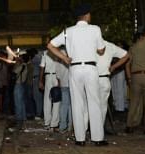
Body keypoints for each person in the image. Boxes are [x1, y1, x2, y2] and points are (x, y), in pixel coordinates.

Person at [47, 3, 106, 146]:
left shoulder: (68, 31)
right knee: (94, 102)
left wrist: (64, 58)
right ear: (86, 15)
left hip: (75, 68)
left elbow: (50, 45)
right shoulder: (95, 29)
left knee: (77, 103)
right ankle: (97, 139)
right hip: (91, 68)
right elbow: (101, 50)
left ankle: (80, 139)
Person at [96, 41, 129, 144]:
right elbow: (127, 55)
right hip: (104, 78)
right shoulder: (110, 46)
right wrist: (114, 67)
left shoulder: (89, 43)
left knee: (89, 107)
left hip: (91, 79)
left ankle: (83, 133)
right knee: (102, 108)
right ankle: (98, 135)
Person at [39, 50, 60, 131]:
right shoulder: (58, 51)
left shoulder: (45, 52)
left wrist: (40, 81)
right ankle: (54, 124)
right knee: (56, 100)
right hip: (56, 76)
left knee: (47, 100)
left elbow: (42, 67)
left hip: (48, 76)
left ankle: (47, 122)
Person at [55, 47, 72, 133]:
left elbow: (57, 73)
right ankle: (71, 126)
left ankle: (62, 126)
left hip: (64, 83)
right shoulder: (72, 50)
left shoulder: (59, 54)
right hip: (73, 84)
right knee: (72, 106)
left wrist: (59, 82)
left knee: (64, 105)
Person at [111, 42, 129, 112]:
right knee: (114, 89)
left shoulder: (124, 53)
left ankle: (120, 107)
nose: (118, 46)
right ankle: (116, 105)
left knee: (120, 89)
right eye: (117, 45)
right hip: (113, 72)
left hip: (121, 72)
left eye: (120, 45)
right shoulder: (114, 53)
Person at [13, 53, 29, 129]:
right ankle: (23, 118)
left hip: (18, 85)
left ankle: (19, 120)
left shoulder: (22, 65)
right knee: (22, 103)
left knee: (18, 103)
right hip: (22, 85)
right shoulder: (25, 65)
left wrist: (16, 63)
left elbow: (14, 72)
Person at [30, 49, 44, 119]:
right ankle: (39, 112)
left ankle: (39, 114)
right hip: (35, 79)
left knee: (37, 97)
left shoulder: (36, 59)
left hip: (37, 78)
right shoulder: (36, 58)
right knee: (37, 97)